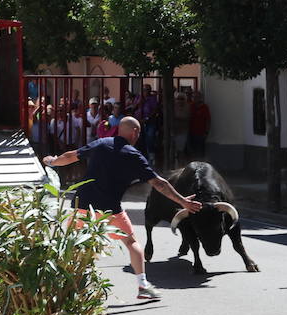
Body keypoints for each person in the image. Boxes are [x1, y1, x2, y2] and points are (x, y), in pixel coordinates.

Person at [42, 116, 202, 301]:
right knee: (131, 243)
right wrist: (183, 201)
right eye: (139, 132)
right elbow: (159, 183)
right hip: (111, 210)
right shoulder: (134, 156)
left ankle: (65, 286)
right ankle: (142, 285)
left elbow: (71, 156)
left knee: (73, 244)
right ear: (134, 132)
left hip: (83, 205)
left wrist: (53, 161)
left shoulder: (102, 143)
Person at [187, 89, 211, 159]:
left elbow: (208, 120)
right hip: (190, 133)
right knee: (191, 152)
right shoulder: (191, 106)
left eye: (196, 97)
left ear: (200, 98)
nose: (194, 99)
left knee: (200, 153)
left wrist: (206, 132)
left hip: (201, 134)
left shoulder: (205, 107)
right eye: (193, 97)